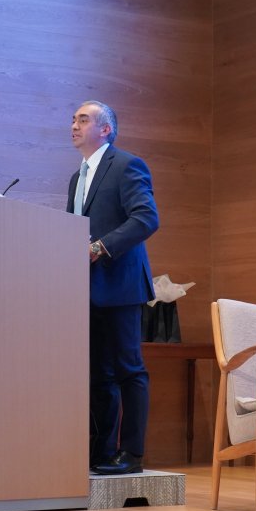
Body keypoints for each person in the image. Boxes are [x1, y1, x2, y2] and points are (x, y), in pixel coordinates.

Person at [67, 100, 159, 475]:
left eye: (83, 119)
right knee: (98, 374)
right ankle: (102, 451)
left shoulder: (126, 165)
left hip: (121, 286)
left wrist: (99, 248)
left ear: (105, 129)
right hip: (86, 290)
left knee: (128, 370)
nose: (74, 125)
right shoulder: (76, 177)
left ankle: (131, 453)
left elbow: (146, 218)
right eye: (73, 119)